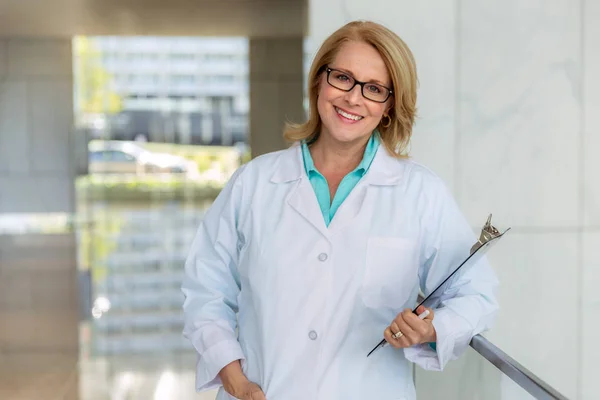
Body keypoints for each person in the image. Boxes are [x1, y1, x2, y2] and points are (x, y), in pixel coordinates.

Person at [182, 20, 499, 400]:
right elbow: (205, 291)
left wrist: (432, 329)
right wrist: (236, 381)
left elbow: (476, 295)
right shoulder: (253, 183)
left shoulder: (420, 192)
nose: (353, 97)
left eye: (374, 88)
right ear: (319, 81)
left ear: (388, 107)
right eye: (342, 78)